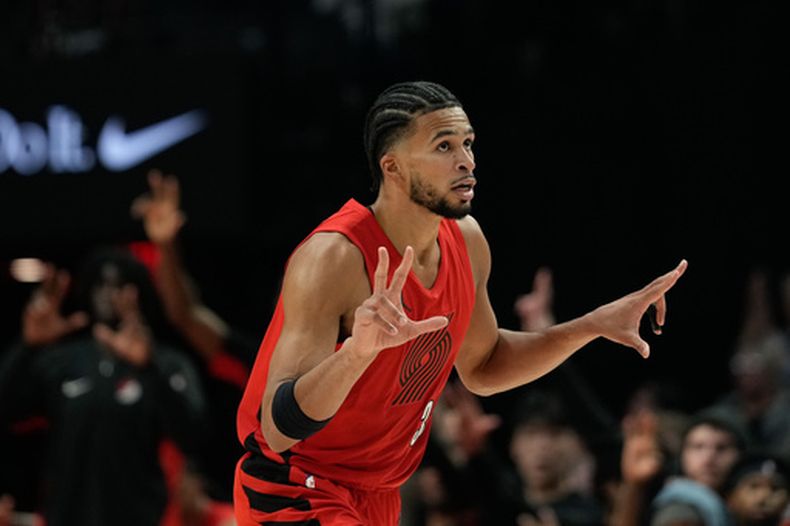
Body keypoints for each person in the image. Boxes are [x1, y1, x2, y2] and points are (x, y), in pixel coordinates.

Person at [233, 80, 688, 525]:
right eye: (444, 147)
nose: (466, 161)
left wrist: (591, 325)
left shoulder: (466, 242)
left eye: (468, 144)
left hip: (378, 492)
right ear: (392, 168)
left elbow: (485, 365)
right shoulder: (334, 257)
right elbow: (279, 427)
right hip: (294, 485)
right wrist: (356, 354)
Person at [0, 248, 206, 526]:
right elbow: (9, 410)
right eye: (100, 284)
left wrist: (149, 368)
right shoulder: (64, 361)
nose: (108, 294)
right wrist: (27, 348)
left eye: (120, 285)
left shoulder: (166, 362)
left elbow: (194, 434)